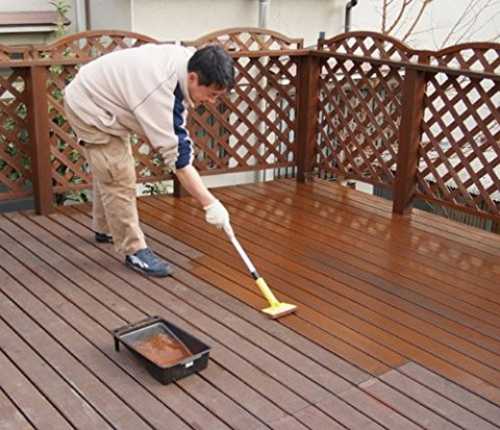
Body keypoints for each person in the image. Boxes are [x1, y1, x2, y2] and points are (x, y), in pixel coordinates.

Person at [64, 43, 235, 278]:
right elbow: (179, 160)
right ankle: (134, 250)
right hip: (89, 105)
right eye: (212, 94)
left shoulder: (190, 62)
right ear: (193, 78)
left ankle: (106, 228)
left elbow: (173, 128)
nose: (212, 101)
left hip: (107, 96)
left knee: (110, 167)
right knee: (118, 175)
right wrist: (210, 204)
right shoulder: (159, 90)